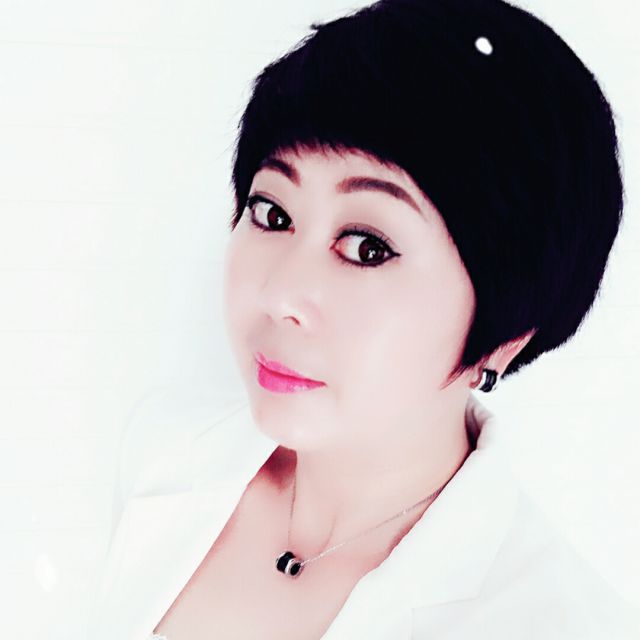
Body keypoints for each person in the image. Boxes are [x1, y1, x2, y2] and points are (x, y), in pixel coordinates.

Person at [87, 0, 639, 638]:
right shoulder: (163, 451)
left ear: (506, 334)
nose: (281, 294)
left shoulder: (552, 622)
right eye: (272, 213)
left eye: (367, 248)